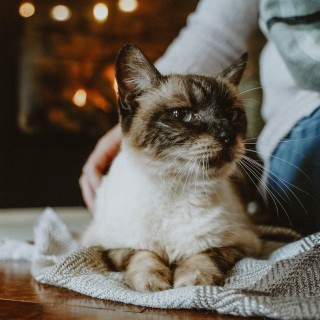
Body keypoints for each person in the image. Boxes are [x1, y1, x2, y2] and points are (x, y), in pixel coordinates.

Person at [79, 0, 320, 235]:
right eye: (182, 114)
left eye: (232, 114)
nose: (226, 134)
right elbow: (215, 33)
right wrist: (142, 109)